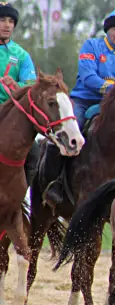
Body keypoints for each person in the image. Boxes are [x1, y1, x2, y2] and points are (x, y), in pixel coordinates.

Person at [43, 9, 115, 206]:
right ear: (108, 30)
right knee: (67, 130)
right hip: (84, 101)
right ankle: (53, 183)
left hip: (114, 109)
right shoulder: (92, 46)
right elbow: (88, 77)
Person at [0, 2, 39, 185]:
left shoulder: (21, 55)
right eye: (2, 20)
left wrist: (17, 85)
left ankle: (21, 198)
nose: (7, 25)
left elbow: (32, 85)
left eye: (10, 21)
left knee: (34, 152)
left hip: (10, 114)